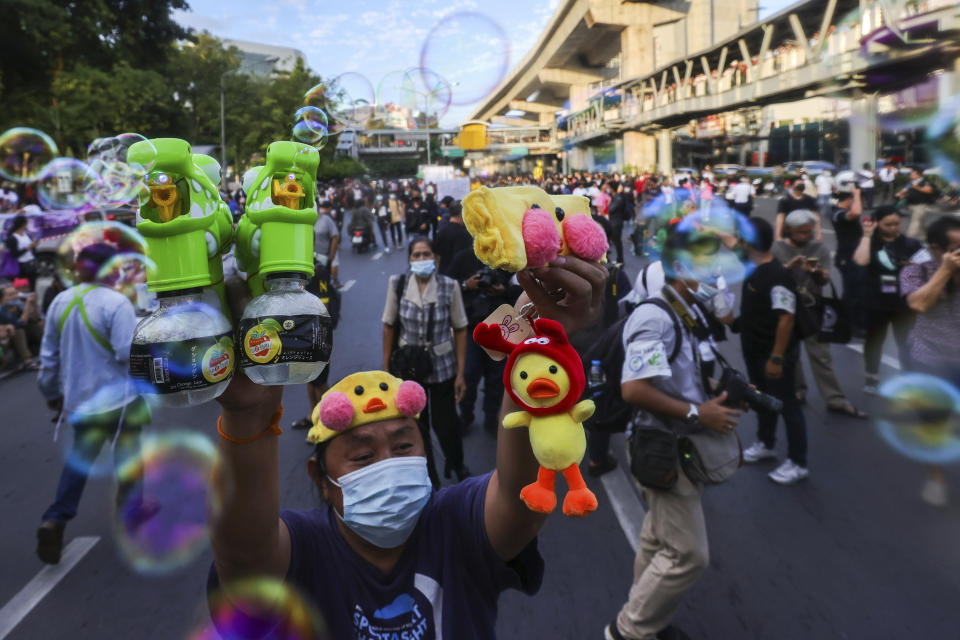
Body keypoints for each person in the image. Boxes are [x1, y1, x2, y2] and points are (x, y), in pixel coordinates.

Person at [208, 256, 609, 640]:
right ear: (321, 480)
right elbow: (246, 562)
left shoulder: (455, 524)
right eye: (362, 456)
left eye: (403, 446)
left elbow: (519, 497)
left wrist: (539, 347)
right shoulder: (304, 548)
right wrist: (249, 417)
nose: (388, 464)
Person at [606, 229, 742, 640]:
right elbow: (635, 389)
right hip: (660, 444)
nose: (714, 272)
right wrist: (698, 412)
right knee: (688, 554)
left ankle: (647, 610)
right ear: (680, 268)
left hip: (680, 441)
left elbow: (685, 371)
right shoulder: (655, 316)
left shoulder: (688, 312)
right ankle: (630, 630)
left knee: (655, 537)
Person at [36, 244, 151, 564]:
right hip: (121, 401)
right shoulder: (116, 304)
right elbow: (127, 354)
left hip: (80, 401)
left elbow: (48, 359)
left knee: (79, 462)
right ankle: (131, 518)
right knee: (128, 459)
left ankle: (55, 519)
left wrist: (52, 396)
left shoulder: (61, 301)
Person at [383, 238, 469, 482]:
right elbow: (388, 326)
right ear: (410, 260)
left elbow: (460, 328)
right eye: (417, 255)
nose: (422, 259)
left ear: (436, 259)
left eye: (426, 254)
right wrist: (387, 368)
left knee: (447, 425)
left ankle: (457, 464)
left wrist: (461, 374)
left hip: (443, 368)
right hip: (409, 368)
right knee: (417, 427)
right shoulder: (397, 284)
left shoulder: (449, 286)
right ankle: (429, 476)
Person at [772, 210, 866, 418]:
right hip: (785, 309)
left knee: (822, 356)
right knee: (791, 354)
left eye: (808, 231)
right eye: (801, 232)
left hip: (812, 308)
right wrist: (790, 267)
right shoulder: (777, 249)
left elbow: (824, 280)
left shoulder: (818, 248)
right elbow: (770, 279)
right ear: (788, 229)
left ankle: (836, 398)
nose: (806, 236)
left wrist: (816, 273)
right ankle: (797, 390)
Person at [738, 217, 809, 485]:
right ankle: (766, 443)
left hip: (773, 355)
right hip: (755, 351)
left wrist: (777, 357)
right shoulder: (755, 269)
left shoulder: (776, 275)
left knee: (787, 405)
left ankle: (798, 462)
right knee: (762, 399)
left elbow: (786, 317)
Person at [900, 217, 960, 507]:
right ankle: (936, 476)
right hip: (931, 356)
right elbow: (918, 303)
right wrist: (946, 271)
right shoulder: (915, 267)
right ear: (937, 249)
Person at [853, 206, 922, 394]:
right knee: (874, 340)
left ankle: (909, 378)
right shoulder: (870, 242)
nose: (893, 228)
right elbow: (860, 261)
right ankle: (872, 377)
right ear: (876, 223)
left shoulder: (910, 244)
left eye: (897, 224)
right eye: (888, 224)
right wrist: (867, 236)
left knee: (906, 341)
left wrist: (915, 267)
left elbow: (926, 267)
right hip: (876, 300)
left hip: (904, 301)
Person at [447, 247, 514, 434]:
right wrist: (465, 286)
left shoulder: (506, 259)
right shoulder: (462, 257)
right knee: (468, 375)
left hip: (499, 329)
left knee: (497, 378)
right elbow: (446, 284)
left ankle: (491, 418)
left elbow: (520, 288)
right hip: (470, 327)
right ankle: (466, 416)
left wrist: (504, 289)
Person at [830, 188, 865, 334]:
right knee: (851, 293)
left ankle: (857, 322)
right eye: (855, 199)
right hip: (846, 258)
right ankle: (848, 324)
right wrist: (857, 193)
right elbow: (856, 212)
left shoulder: (840, 211)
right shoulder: (838, 213)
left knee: (858, 291)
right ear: (849, 199)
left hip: (855, 257)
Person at [434, 202, 473, 277]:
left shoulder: (442, 230)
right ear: (461, 214)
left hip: (443, 273)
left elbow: (437, 255)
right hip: (459, 277)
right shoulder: (464, 234)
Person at [898, 167, 937, 240]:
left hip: (921, 204)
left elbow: (929, 191)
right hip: (911, 204)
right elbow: (906, 190)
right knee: (920, 221)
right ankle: (925, 236)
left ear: (918, 175)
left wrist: (916, 187)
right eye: (910, 174)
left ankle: (908, 238)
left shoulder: (925, 182)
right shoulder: (910, 182)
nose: (910, 175)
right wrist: (901, 194)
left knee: (915, 221)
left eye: (912, 174)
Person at [4, 215, 38, 286]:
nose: (28, 225)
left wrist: (34, 245)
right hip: (22, 267)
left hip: (31, 263)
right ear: (23, 224)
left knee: (33, 285)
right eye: (27, 223)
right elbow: (15, 254)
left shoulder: (26, 235)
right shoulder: (13, 238)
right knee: (24, 286)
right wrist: (28, 247)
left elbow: (31, 249)